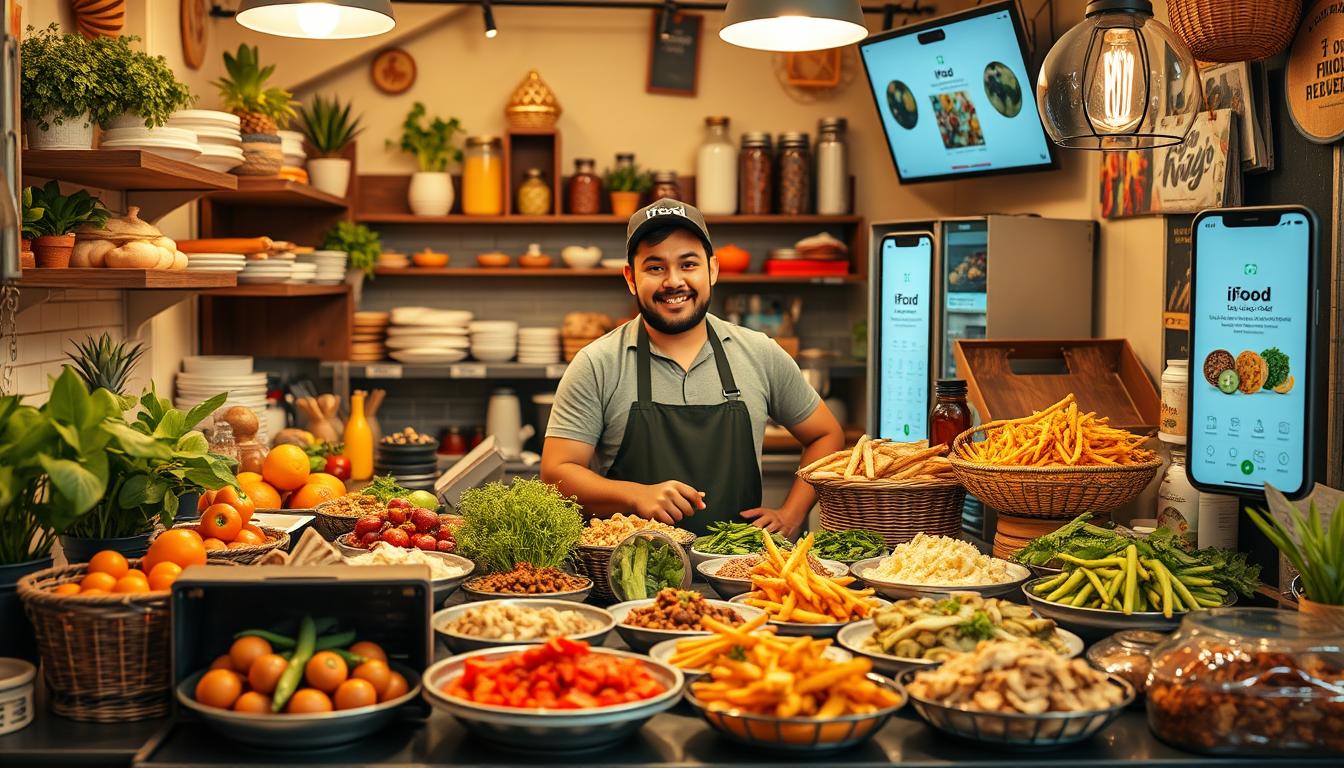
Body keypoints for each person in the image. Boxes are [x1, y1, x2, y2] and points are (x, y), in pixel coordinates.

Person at [540, 198, 845, 538]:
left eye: (688, 265)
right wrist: (636, 494)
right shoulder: (598, 363)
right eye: (655, 267)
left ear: (712, 270)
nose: (674, 281)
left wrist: (792, 514)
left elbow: (826, 434)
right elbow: (556, 474)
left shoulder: (759, 352)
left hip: (738, 574)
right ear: (630, 277)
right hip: (629, 575)